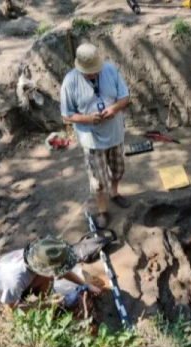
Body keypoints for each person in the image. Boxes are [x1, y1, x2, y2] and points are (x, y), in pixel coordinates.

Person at [60, 43, 131, 229]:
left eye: (95, 70)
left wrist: (114, 108)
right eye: (89, 72)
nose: (93, 74)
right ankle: (102, 210)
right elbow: (66, 114)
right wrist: (87, 119)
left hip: (114, 132)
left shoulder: (110, 70)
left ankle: (115, 194)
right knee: (97, 180)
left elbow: (125, 97)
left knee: (118, 168)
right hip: (91, 139)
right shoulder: (70, 82)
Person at [0, 236, 102, 316]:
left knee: (48, 278)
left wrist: (85, 285)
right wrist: (48, 305)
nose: (58, 274)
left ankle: (48, 302)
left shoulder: (35, 257)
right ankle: (49, 309)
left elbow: (59, 270)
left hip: (12, 293)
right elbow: (11, 313)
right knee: (45, 297)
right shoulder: (14, 281)